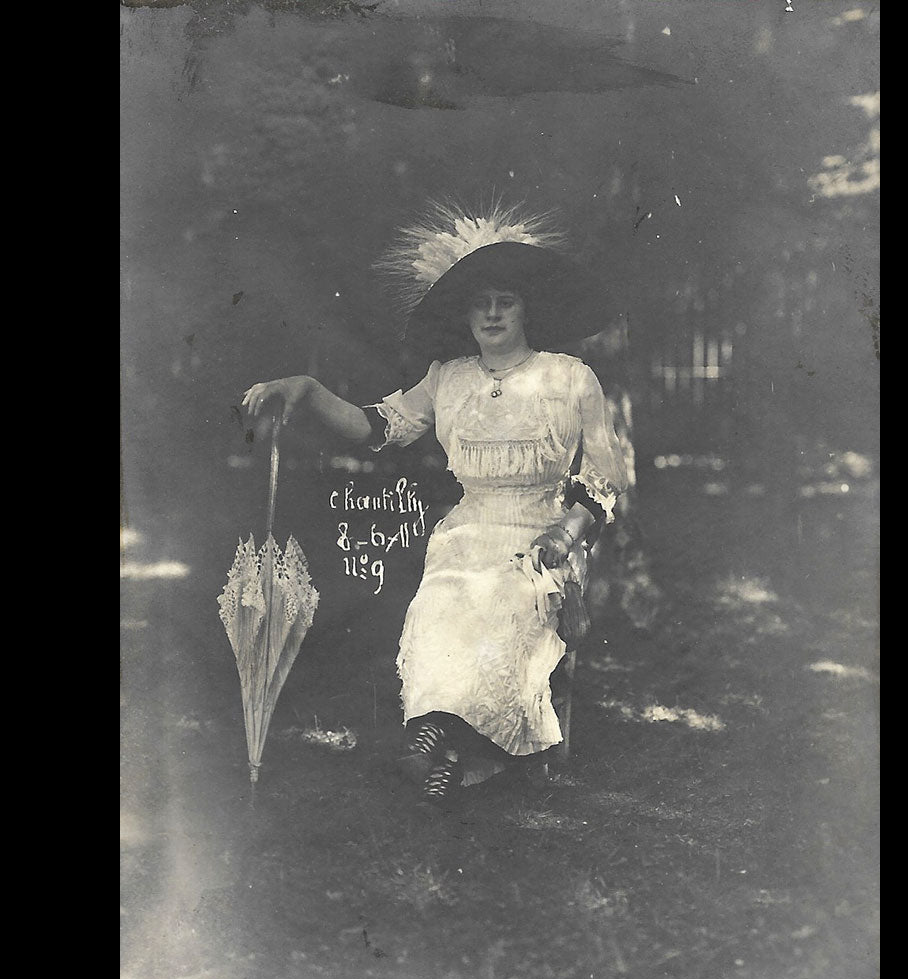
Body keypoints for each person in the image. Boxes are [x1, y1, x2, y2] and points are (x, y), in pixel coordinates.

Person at [242, 215, 628, 803]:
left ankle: (439, 747)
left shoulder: (570, 379)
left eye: (506, 302)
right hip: (467, 535)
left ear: (527, 310)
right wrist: (308, 389)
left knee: (505, 605)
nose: (493, 315)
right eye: (481, 305)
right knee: (443, 606)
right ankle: (449, 752)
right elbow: (378, 426)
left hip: (542, 539)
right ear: (465, 316)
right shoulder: (447, 379)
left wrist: (565, 532)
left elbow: (602, 478)